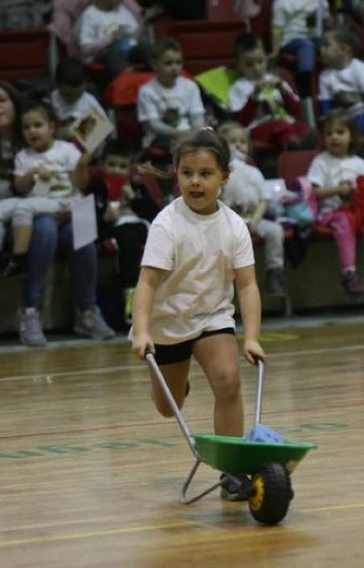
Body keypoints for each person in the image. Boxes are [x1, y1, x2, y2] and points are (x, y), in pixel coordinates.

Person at [130, 129, 265, 501]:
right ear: (176, 174)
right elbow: (147, 283)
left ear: (224, 177)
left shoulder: (235, 225)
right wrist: (142, 332)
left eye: (206, 174)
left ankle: (232, 472)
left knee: (228, 380)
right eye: (187, 172)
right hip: (167, 325)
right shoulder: (166, 224)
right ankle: (176, 383)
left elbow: (248, 286)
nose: (195, 181)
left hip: (212, 318)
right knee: (166, 407)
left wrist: (251, 336)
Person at [0, 81, 115, 346]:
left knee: (82, 223)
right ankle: (29, 311)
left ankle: (87, 311)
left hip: (52, 209)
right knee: (44, 225)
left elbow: (77, 180)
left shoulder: (41, 139)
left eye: (2, 99)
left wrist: (82, 165)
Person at [0, 99, 89, 279]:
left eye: (38, 125)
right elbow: (19, 186)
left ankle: (19, 259)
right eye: (26, 127)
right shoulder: (23, 156)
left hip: (61, 199)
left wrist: (80, 167)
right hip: (34, 199)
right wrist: (32, 173)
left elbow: (80, 185)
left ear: (51, 126)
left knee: (24, 208)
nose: (32, 131)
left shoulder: (67, 149)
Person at [307, 109, 364, 295]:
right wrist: (338, 190)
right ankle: (349, 273)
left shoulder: (359, 163)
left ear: (351, 136)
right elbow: (314, 192)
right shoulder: (321, 162)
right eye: (329, 134)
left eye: (340, 132)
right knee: (344, 223)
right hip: (332, 212)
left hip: (359, 210)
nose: (334, 138)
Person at [89, 139, 160, 323]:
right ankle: (130, 293)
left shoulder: (136, 186)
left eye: (122, 166)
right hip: (115, 229)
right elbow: (92, 224)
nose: (116, 170)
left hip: (140, 225)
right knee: (128, 238)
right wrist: (105, 217)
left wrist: (134, 198)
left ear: (129, 170)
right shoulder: (97, 189)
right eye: (111, 165)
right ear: (103, 165)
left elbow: (155, 214)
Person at [218, 121, 287, 295]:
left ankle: (274, 272)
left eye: (242, 142)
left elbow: (264, 199)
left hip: (254, 218)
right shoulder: (218, 172)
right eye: (232, 142)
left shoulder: (254, 172)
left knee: (275, 230)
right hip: (229, 222)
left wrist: (256, 219)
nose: (238, 146)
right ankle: (225, 282)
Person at [229, 33, 317, 153]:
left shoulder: (276, 79)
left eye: (260, 62)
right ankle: (292, 144)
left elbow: (297, 112)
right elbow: (240, 121)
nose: (256, 68)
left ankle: (302, 142)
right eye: (249, 65)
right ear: (238, 64)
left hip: (286, 123)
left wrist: (282, 90)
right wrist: (253, 98)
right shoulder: (238, 87)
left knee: (301, 128)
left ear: (266, 58)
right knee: (279, 126)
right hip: (258, 128)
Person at [136, 38, 206, 157]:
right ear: (154, 65)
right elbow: (154, 124)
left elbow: (197, 116)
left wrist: (196, 132)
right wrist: (179, 134)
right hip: (159, 138)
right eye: (168, 63)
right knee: (183, 147)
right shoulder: (146, 91)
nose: (174, 68)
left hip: (189, 134)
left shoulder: (190, 86)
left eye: (178, 62)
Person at [76, 0, 156, 79]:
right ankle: (125, 82)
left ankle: (158, 76)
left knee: (145, 48)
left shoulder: (123, 10)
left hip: (127, 49)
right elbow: (85, 49)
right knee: (114, 54)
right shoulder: (89, 15)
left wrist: (144, 21)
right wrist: (110, 38)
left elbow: (133, 37)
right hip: (104, 53)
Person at [270, 0, 330, 98]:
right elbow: (277, 29)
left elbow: (326, 21)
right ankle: (306, 94)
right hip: (291, 40)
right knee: (307, 46)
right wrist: (275, 51)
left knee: (331, 45)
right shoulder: (282, 3)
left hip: (315, 38)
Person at [47, 56, 110, 142]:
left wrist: (75, 132)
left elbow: (104, 128)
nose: (73, 99)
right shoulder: (49, 101)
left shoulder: (88, 100)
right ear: (58, 85)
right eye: (68, 95)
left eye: (78, 95)